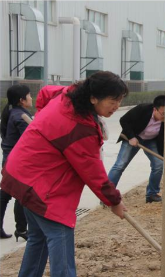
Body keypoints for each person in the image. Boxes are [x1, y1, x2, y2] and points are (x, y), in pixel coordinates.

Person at [0, 71, 128, 277]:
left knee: (38, 239)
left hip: (21, 173)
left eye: (120, 100)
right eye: (113, 101)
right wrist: (114, 200)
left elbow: (44, 93)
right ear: (93, 97)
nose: (117, 106)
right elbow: (93, 172)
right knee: (60, 236)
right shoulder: (79, 127)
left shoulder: (67, 95)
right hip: (40, 187)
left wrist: (44, 124)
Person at [108, 95, 165, 203]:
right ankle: (107, 195)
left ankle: (152, 194)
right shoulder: (143, 109)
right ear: (155, 109)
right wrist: (131, 137)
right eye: (163, 114)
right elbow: (124, 120)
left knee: (158, 164)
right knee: (120, 165)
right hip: (134, 137)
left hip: (151, 140)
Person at [0, 85, 31, 241]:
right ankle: (21, 229)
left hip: (9, 159)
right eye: (29, 95)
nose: (31, 98)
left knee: (5, 194)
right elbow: (31, 140)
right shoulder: (21, 117)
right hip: (16, 161)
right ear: (22, 100)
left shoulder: (12, 112)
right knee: (21, 194)